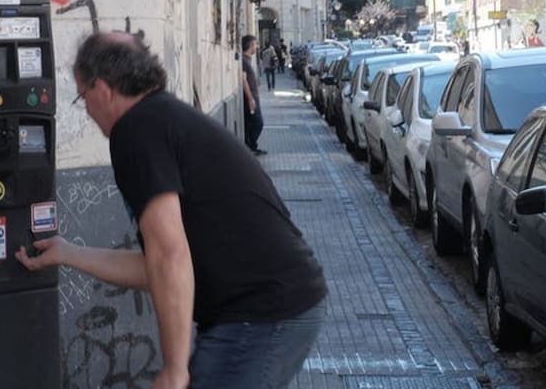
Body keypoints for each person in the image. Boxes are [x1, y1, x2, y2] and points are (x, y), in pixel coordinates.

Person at [16, 32, 326, 389]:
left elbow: (168, 255)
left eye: (82, 96)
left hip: (262, 314)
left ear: (102, 89)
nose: (86, 110)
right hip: (280, 305)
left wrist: (175, 368)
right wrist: (68, 253)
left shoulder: (136, 130)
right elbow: (158, 268)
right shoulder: (161, 117)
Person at [241, 35, 266, 155]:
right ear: (250, 45)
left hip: (254, 96)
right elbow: (243, 80)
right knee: (257, 123)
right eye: (255, 44)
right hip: (250, 97)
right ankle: (250, 147)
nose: (257, 47)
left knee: (252, 123)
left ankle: (252, 147)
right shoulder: (243, 61)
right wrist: (250, 98)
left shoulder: (248, 60)